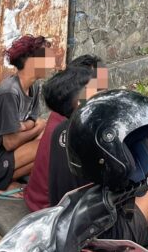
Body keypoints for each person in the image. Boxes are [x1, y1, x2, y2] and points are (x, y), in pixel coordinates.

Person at [43, 72, 148, 252]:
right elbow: (142, 177)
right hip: (105, 233)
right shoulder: (97, 142)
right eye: (96, 91)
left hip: (70, 225)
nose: (103, 93)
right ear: (81, 104)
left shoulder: (61, 131)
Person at [0, 35, 52, 197]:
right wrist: (37, 127)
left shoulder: (34, 87)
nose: (51, 63)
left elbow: (33, 119)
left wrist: (25, 126)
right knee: (47, 146)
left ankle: (11, 180)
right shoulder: (9, 93)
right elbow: (10, 142)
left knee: (48, 136)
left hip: (4, 156)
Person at [24, 54, 108, 212]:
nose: (104, 93)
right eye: (98, 87)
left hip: (41, 200)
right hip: (52, 208)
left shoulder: (61, 114)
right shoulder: (77, 126)